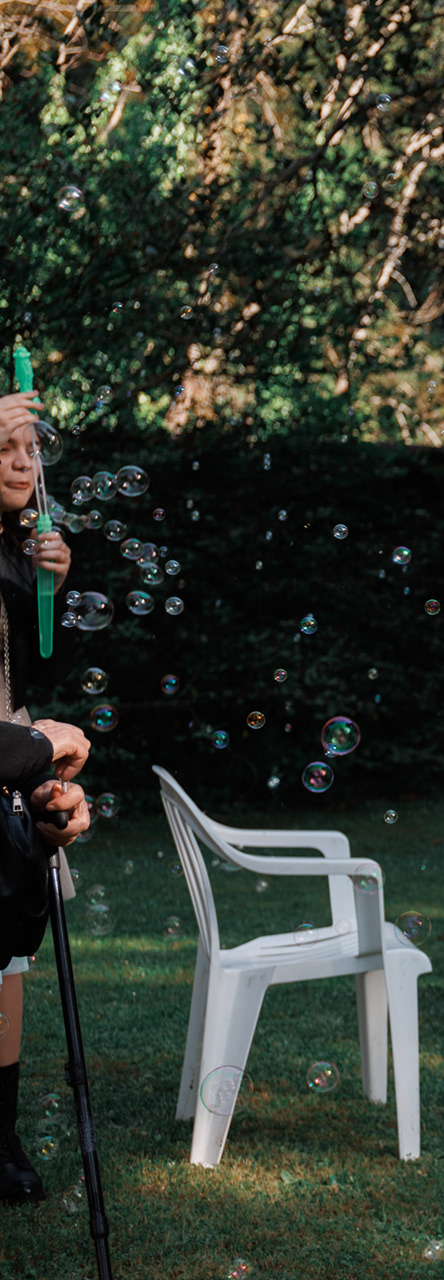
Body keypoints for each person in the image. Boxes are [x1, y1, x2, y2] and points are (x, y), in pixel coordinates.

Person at [0, 387, 83, 1207]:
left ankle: (1, 1133)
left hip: (10, 760)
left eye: (32, 448)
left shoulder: (19, 546)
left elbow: (31, 677)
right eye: (5, 447)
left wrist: (47, 589)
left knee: (6, 958)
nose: (26, 463)